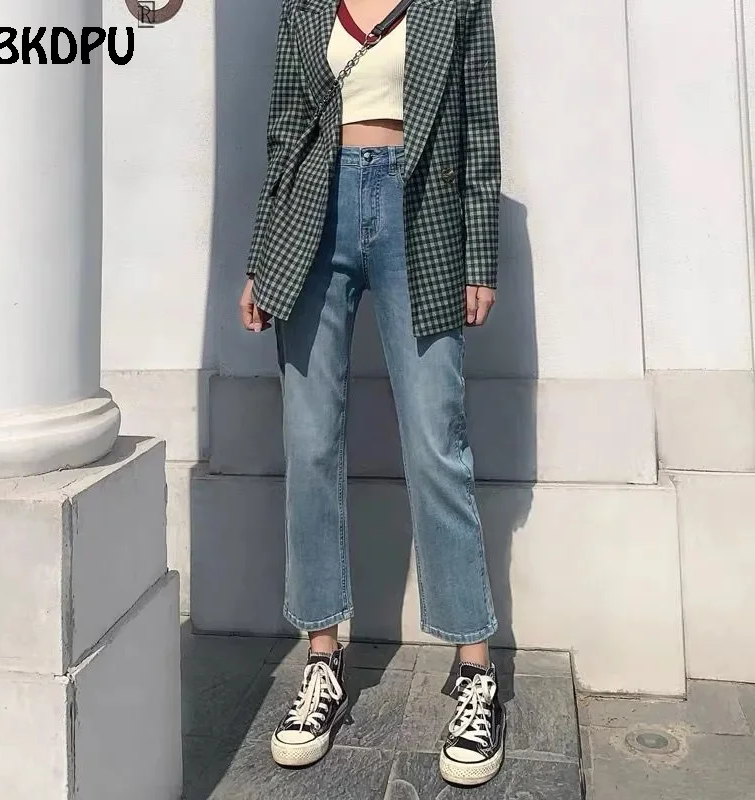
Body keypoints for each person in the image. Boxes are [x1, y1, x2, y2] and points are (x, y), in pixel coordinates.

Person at [239, 0, 504, 786]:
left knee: (436, 441)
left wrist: (479, 259)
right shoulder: (304, 4)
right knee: (310, 442)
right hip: (313, 218)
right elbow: (285, 131)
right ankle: (323, 660)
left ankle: (475, 669)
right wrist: (260, 258)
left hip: (419, 213)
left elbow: (479, 127)